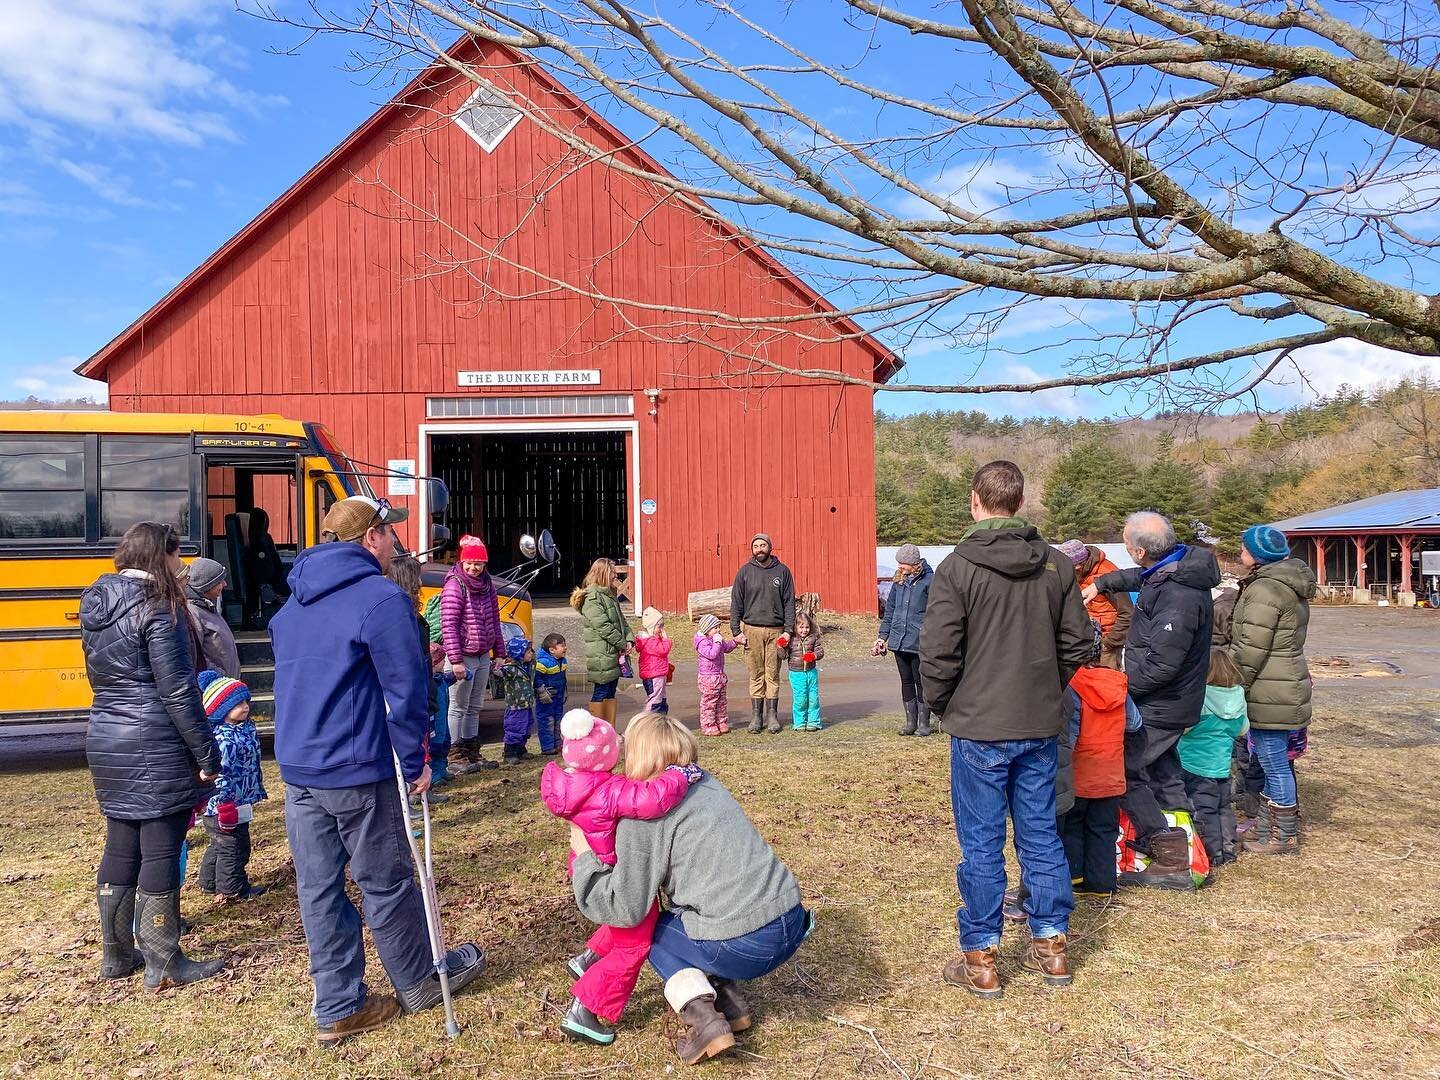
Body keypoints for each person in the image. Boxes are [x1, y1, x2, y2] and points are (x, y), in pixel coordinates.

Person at [269, 495, 486, 1044]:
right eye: (389, 534)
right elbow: (406, 689)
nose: (395, 543)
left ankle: (339, 1005)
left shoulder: (293, 602)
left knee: (318, 888)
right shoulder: (380, 598)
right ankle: (416, 980)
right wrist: (415, 760)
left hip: (300, 766)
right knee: (385, 879)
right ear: (370, 538)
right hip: (356, 766)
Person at [919, 461, 1092, 998]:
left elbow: (938, 650)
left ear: (976, 499)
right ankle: (1051, 943)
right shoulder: (1057, 568)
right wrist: (1045, 691)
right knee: (1039, 836)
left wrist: (943, 703)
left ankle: (982, 955)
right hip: (1033, 722)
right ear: (1018, 501)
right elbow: (1078, 644)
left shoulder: (958, 567)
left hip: (982, 726)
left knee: (983, 843)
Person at [569, 712, 811, 1065]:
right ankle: (728, 1001)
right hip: (791, 916)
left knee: (650, 931)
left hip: (747, 941)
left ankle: (704, 1020)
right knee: (698, 914)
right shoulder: (704, 781)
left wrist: (585, 860)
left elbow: (626, 908)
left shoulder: (644, 816)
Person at [83, 521, 227, 990]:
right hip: (155, 740)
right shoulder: (157, 612)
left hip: (107, 736)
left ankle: (116, 955)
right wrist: (207, 752)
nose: (179, 563)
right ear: (160, 557)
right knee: (161, 846)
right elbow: (178, 692)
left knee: (121, 842)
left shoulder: (97, 607)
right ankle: (163, 961)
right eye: (176, 554)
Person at [541, 709, 700, 1046]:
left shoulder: (570, 783)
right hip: (613, 875)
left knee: (643, 916)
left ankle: (588, 959)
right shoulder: (609, 790)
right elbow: (652, 799)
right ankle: (585, 1008)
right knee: (634, 945)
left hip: (587, 864)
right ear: (605, 756)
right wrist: (681, 775)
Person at [1085, 511, 1219, 891]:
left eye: (1128, 546)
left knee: (1122, 769)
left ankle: (1168, 851)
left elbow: (1163, 665)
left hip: (1165, 703)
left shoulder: (1178, 596)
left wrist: (1119, 687)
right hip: (1168, 701)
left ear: (1140, 550)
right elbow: (1138, 578)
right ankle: (1192, 848)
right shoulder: (1174, 567)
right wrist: (1102, 583)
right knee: (1163, 773)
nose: (1127, 553)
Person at [1229, 525, 1317, 856]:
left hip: (1270, 687)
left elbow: (1251, 647)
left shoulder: (1265, 590)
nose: (1240, 554)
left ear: (1256, 555)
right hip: (1285, 680)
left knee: (1273, 761)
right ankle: (1267, 829)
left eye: (1243, 548)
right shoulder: (1287, 583)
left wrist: (1232, 683)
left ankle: (1282, 837)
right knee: (1271, 760)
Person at [1061, 629, 1134, 897]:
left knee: (1073, 825)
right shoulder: (1118, 683)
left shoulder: (1073, 685)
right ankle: (1103, 883)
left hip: (1081, 771)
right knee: (1104, 829)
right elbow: (1135, 723)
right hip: (1112, 772)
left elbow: (1070, 732)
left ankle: (1074, 876)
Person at [196, 670, 268, 902]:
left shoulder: (245, 730)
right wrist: (224, 802)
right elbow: (219, 775)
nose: (245, 706)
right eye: (237, 703)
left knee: (219, 844)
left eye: (246, 701)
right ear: (220, 709)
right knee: (232, 846)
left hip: (239, 800)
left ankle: (209, 883)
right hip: (224, 805)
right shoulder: (223, 740)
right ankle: (232, 888)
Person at [1179, 649, 1249, 867]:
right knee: (1223, 807)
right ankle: (1228, 848)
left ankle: (1211, 852)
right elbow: (1242, 729)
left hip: (1194, 765)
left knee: (1203, 809)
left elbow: (1185, 729)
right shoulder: (1238, 696)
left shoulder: (1199, 696)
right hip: (1222, 765)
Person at [387, 555, 448, 804]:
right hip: (413, 688)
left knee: (425, 739)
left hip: (424, 684)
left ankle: (423, 788)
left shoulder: (414, 613)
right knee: (410, 741)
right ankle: (407, 795)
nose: (422, 582)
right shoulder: (399, 615)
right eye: (418, 576)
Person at [442, 534, 504, 774]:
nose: (474, 567)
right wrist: (455, 660)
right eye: (470, 563)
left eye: (478, 563)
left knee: (475, 705)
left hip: (482, 655)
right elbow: (449, 624)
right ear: (462, 561)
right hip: (464, 656)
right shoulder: (454, 585)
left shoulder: (487, 585)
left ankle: (471, 750)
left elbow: (495, 621)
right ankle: (455, 755)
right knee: (457, 705)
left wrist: (499, 652)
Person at [730, 533, 796, 735]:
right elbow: (736, 603)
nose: (759, 549)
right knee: (756, 674)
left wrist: (788, 630)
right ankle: (756, 717)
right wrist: (735, 631)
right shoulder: (744, 572)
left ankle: (772, 716)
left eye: (763, 545)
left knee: (772, 674)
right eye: (756, 546)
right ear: (752, 549)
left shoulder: (782, 572)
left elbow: (789, 603)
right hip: (752, 630)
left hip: (776, 631)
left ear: (770, 547)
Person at [875, 544, 933, 736]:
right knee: (906, 681)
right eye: (899, 563)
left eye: (903, 563)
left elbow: (935, 612)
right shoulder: (898, 582)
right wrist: (882, 637)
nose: (900, 566)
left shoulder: (929, 581)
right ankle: (910, 723)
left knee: (921, 682)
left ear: (913, 563)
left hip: (919, 642)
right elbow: (889, 611)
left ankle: (925, 724)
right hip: (899, 641)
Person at [571, 558, 634, 726]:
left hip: (612, 652)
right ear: (604, 573)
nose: (615, 574)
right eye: (613, 571)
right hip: (601, 654)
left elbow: (622, 621)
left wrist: (629, 639)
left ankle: (609, 730)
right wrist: (622, 643)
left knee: (610, 692)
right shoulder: (592, 597)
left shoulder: (609, 595)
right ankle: (597, 731)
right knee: (602, 691)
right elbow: (603, 627)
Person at [1057, 540, 1134, 664]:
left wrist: (1109, 643)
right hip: (1083, 642)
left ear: (1077, 565)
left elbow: (1128, 613)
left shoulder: (1109, 576)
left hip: (1106, 643)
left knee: (1106, 680)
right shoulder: (1073, 574)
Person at [184, 557, 240, 678]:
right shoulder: (193, 613)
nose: (225, 584)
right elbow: (195, 657)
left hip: (224, 688)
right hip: (216, 688)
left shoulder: (207, 608)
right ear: (206, 585)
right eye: (220, 581)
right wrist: (219, 677)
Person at [780, 611, 824, 731]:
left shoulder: (813, 638)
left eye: (807, 627)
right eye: (801, 627)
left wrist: (813, 656)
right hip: (796, 673)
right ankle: (799, 722)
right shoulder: (792, 639)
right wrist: (781, 646)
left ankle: (813, 722)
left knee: (813, 698)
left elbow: (820, 652)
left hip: (811, 672)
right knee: (800, 699)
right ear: (796, 627)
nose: (804, 630)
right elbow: (783, 656)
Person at [694, 614, 737, 736]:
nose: (718, 630)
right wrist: (717, 641)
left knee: (721, 701)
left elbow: (726, 648)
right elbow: (712, 654)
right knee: (709, 703)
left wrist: (735, 642)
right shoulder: (702, 643)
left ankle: (721, 722)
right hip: (708, 677)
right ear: (707, 630)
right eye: (715, 628)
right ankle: (708, 725)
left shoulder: (716, 639)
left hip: (719, 676)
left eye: (719, 627)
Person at [500, 634, 537, 766]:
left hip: (526, 704)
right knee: (514, 727)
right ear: (519, 654)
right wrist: (496, 666)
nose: (531, 654)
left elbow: (534, 659)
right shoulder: (511, 669)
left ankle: (521, 749)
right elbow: (500, 671)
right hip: (515, 706)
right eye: (528, 652)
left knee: (525, 727)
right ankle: (509, 752)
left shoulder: (530, 666)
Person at [534, 633, 569, 755]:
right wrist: (542, 692)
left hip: (558, 698)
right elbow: (537, 678)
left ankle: (558, 744)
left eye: (565, 645)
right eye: (562, 646)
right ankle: (547, 747)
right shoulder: (543, 662)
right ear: (552, 650)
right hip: (546, 699)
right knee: (546, 721)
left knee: (558, 720)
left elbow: (563, 679)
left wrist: (564, 692)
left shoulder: (562, 661)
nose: (565, 648)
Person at [635, 607, 673, 714]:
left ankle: (660, 723)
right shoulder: (649, 641)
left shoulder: (653, 640)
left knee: (661, 701)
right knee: (654, 701)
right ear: (651, 627)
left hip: (658, 675)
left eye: (662, 625)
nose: (661, 629)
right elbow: (663, 650)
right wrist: (666, 640)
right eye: (659, 626)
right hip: (654, 676)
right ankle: (646, 722)